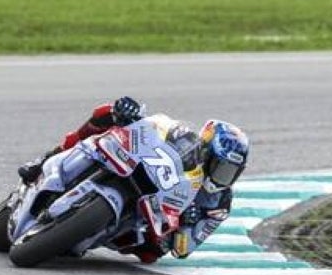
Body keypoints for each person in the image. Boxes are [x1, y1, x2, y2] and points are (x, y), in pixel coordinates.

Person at [17, 96, 249, 263]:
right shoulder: (184, 139)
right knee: (106, 114)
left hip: (156, 222)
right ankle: (45, 159)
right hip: (147, 173)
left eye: (230, 172)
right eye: (220, 167)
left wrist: (187, 222)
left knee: (151, 254)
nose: (222, 177)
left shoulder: (219, 203)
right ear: (206, 151)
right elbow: (156, 127)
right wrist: (131, 116)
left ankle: (86, 232)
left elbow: (183, 250)